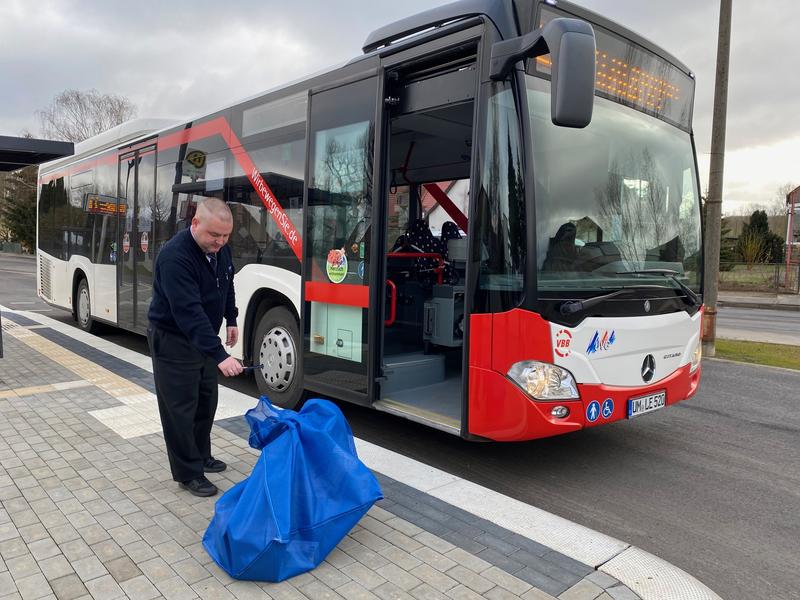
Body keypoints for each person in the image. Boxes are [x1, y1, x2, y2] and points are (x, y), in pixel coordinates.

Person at [147, 197, 244, 497]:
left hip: (201, 338)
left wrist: (231, 317)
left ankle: (202, 454)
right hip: (173, 338)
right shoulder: (176, 256)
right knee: (180, 408)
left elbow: (226, 283)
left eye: (226, 236)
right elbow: (188, 312)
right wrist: (219, 355)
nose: (220, 242)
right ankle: (189, 472)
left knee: (206, 400)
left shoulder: (221, 250)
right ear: (195, 224)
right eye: (214, 235)